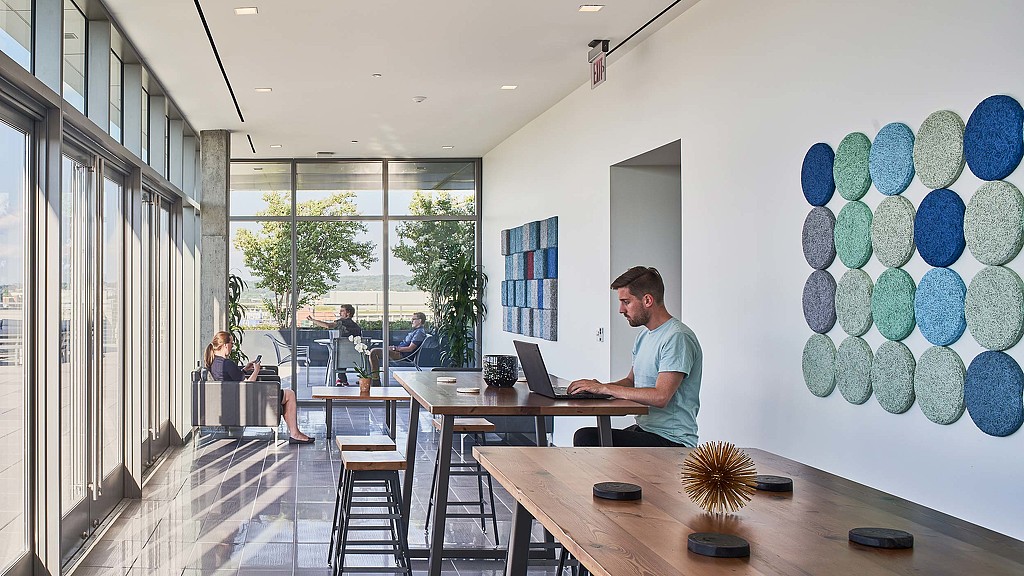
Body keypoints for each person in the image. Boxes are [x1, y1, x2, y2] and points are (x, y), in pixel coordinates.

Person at [568, 266, 702, 448]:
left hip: (672, 441)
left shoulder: (677, 337)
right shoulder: (644, 336)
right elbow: (631, 381)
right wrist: (597, 388)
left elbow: (661, 397)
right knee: (592, 437)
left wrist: (605, 389)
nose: (621, 310)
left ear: (647, 300)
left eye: (626, 302)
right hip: (646, 430)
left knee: (587, 438)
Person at [204, 331, 315, 445]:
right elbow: (248, 385)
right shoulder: (227, 363)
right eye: (232, 343)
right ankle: (295, 434)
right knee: (290, 394)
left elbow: (231, 380)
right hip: (247, 399)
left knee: (285, 395)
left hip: (235, 397)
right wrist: (257, 369)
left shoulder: (215, 363)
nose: (232, 346)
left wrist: (245, 370)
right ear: (225, 345)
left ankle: (294, 433)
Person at [368, 312, 428, 383]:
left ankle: (375, 380)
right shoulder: (417, 331)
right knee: (371, 351)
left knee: (374, 352)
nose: (411, 321)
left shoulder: (419, 333)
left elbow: (410, 348)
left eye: (414, 319)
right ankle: (370, 377)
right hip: (399, 351)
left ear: (420, 321)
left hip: (402, 354)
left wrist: (395, 348)